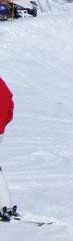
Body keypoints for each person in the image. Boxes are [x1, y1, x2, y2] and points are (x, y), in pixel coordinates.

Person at [0, 77, 15, 220]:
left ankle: (3, 207)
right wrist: (2, 124)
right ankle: (5, 206)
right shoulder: (1, 84)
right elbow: (9, 104)